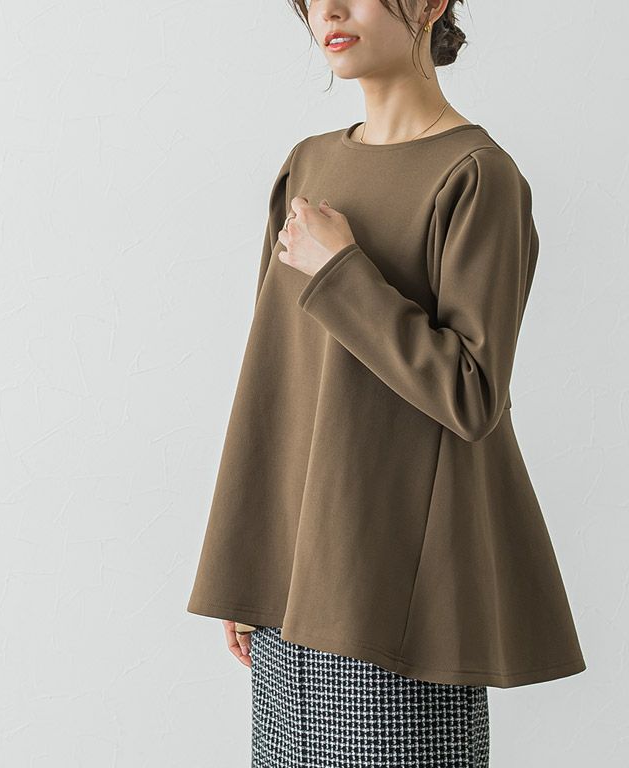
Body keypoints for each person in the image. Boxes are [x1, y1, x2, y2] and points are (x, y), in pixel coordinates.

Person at [186, 1, 587, 766]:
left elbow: (472, 394)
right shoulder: (306, 165)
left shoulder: (477, 176)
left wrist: (342, 272)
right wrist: (246, 565)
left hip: (400, 597)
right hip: (292, 589)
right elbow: (275, 384)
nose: (329, 12)